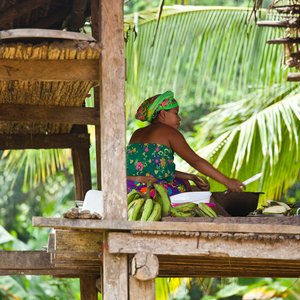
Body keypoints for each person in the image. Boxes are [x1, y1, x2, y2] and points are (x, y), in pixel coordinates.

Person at [126, 90, 245, 196]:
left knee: (187, 183)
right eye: (176, 113)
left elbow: (155, 169)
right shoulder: (169, 132)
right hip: (152, 191)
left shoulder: (137, 133)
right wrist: (227, 181)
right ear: (163, 114)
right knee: (195, 192)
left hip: (129, 188)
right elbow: (196, 161)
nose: (179, 119)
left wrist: (191, 176)